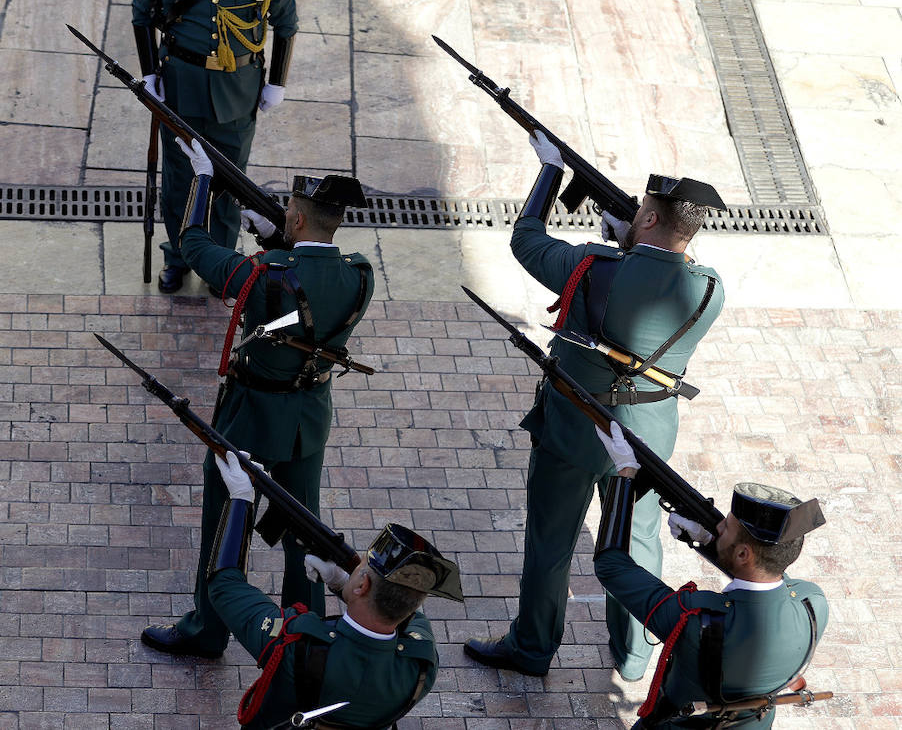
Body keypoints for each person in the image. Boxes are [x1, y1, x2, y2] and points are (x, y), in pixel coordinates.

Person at [464, 132, 726, 680]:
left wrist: (550, 172)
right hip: (648, 434)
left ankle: (532, 648)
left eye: (643, 212)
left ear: (648, 219)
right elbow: (663, 270)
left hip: (573, 429)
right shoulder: (709, 289)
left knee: (550, 544)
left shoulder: (591, 265)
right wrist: (633, 246)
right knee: (638, 541)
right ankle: (634, 654)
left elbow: (527, 239)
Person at [141, 139, 374, 658]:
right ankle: (305, 631)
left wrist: (203, 179)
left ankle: (208, 629)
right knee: (305, 529)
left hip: (248, 416)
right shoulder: (360, 273)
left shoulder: (261, 274)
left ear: (297, 219)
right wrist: (275, 236)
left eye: (289, 214)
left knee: (225, 521)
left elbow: (193, 244)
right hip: (307, 419)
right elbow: (305, 279)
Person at [592, 424, 828, 728]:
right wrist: (710, 543)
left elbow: (611, 565)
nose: (718, 528)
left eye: (725, 528)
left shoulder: (696, 620)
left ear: (743, 554)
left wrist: (625, 475)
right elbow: (764, 575)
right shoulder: (813, 603)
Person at [132, 0, 298, 293]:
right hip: (180, 88)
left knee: (229, 183)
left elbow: (286, 22)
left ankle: (221, 265)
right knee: (179, 182)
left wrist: (276, 82)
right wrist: (150, 74)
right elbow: (142, 16)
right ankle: (179, 257)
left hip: (237, 90)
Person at [205, 450, 444, 729]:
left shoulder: (297, 645)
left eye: (361, 567)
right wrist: (343, 584)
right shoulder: (421, 663)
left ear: (363, 585)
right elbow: (406, 611)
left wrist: (240, 499)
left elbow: (225, 585)